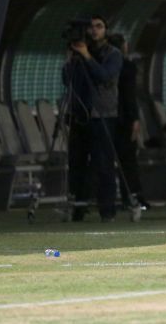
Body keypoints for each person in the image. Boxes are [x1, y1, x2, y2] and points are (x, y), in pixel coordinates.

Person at [62, 15, 123, 222]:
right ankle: (78, 207)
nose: (94, 30)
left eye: (99, 26)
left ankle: (107, 210)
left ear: (106, 30)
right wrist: (71, 59)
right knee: (77, 162)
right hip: (80, 114)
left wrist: (87, 56)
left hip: (102, 114)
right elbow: (67, 80)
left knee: (103, 163)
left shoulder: (113, 54)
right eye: (91, 27)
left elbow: (104, 76)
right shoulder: (77, 54)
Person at [107, 33, 150, 210]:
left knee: (108, 159)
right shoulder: (127, 66)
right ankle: (133, 196)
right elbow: (129, 95)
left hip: (107, 116)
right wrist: (135, 119)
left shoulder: (105, 65)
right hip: (124, 118)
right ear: (124, 46)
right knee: (128, 160)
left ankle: (109, 198)